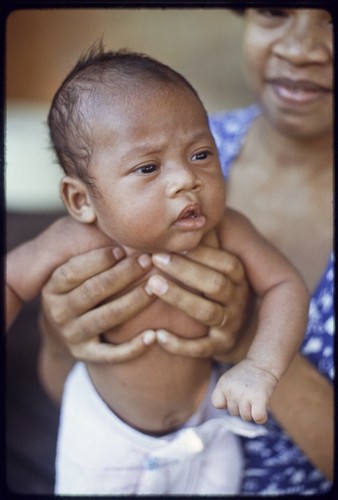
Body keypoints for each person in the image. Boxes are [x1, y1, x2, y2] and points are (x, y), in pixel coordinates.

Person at [36, 7, 334, 495]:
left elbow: (282, 285)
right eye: (275, 10)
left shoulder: (211, 199)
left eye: (200, 156)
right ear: (81, 200)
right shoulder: (145, 139)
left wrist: (251, 351)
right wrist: (60, 332)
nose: (185, 178)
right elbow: (67, 385)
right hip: (115, 443)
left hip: (214, 442)